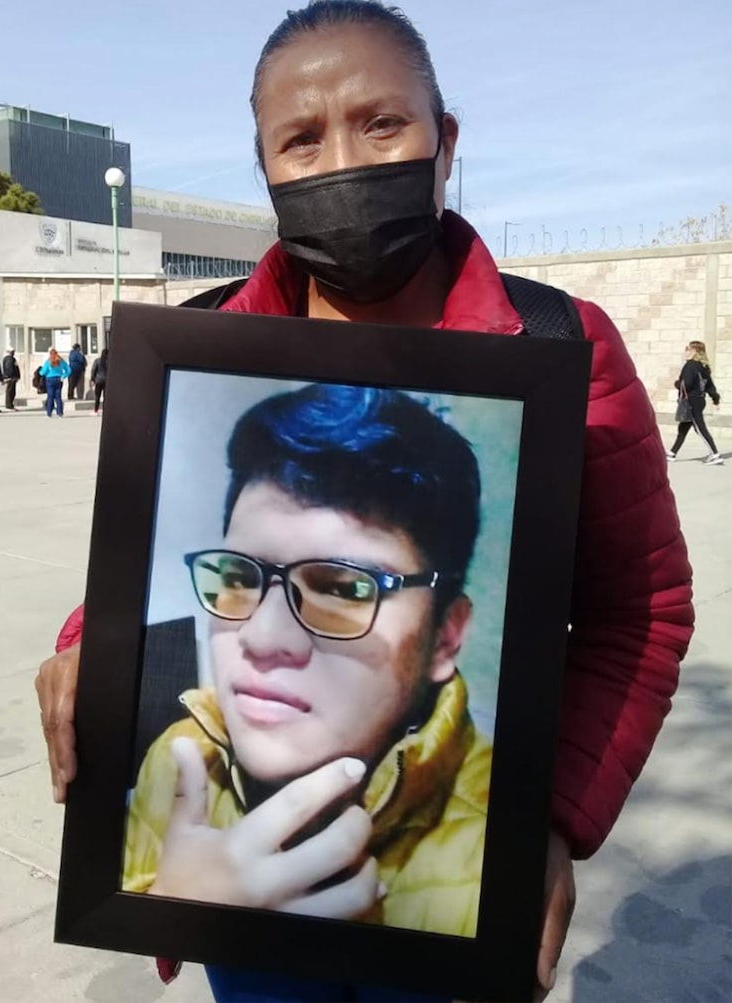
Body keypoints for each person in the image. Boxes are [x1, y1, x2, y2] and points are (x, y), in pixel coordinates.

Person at [36, 2, 694, 1000]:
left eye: (380, 123)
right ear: (263, 168)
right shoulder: (196, 348)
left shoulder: (562, 345)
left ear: (445, 142)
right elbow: (132, 559)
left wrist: (544, 822)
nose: (341, 162)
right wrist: (93, 643)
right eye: (300, 139)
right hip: (247, 928)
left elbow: (637, 612)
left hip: (455, 927)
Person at [125, 384, 489, 943]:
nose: (263, 637)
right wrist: (173, 915)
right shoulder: (179, 762)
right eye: (240, 576)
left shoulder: (499, 842)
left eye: (343, 590)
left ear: (445, 637)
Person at [666, 341, 723, 465]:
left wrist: (677, 383)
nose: (686, 351)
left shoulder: (690, 365)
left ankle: (715, 454)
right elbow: (710, 386)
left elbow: (686, 384)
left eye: (688, 349)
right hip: (699, 400)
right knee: (683, 427)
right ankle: (672, 453)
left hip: (691, 401)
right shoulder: (704, 367)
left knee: (700, 428)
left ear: (695, 351)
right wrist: (715, 399)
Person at [38, 348, 71, 418]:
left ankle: (49, 413)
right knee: (58, 397)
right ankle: (60, 413)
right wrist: (64, 376)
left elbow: (43, 372)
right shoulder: (61, 361)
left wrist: (40, 372)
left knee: (50, 397)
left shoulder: (48, 362)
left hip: (49, 380)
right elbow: (69, 370)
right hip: (59, 379)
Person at [90, 349, 108, 415]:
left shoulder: (97, 361)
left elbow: (93, 370)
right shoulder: (110, 361)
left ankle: (96, 410)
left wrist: (92, 379)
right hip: (107, 381)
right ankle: (105, 410)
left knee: (97, 397)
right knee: (106, 397)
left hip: (98, 381)